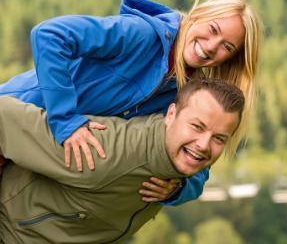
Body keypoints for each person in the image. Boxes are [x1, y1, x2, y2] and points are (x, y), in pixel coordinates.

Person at [0, 0, 262, 205]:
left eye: (227, 47)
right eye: (212, 29)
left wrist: (179, 187)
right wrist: (66, 120)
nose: (211, 46)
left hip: (34, 160)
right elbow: (49, 35)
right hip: (11, 124)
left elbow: (201, 158)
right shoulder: (141, 34)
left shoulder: (189, 91)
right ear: (197, 16)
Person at [0, 79, 245, 243]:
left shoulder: (173, 169)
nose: (203, 145)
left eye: (218, 138)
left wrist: (179, 189)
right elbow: (3, 113)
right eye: (196, 126)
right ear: (171, 114)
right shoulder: (105, 152)